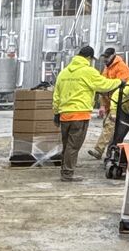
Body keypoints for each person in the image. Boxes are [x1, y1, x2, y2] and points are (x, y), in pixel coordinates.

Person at [50, 46, 122, 182]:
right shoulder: (88, 71)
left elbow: (56, 95)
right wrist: (119, 82)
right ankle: (67, 174)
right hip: (79, 114)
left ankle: (65, 171)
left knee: (67, 145)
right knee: (73, 146)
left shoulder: (64, 73)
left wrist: (56, 113)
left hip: (65, 115)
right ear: (89, 58)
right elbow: (103, 85)